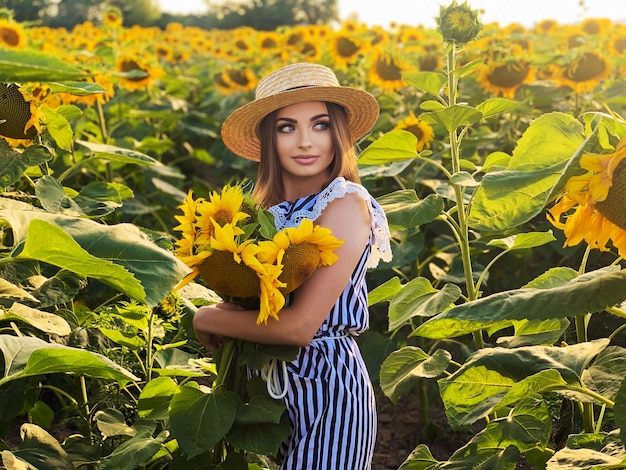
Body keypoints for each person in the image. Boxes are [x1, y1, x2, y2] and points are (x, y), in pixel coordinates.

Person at [192, 62, 393, 469]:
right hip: (266, 390)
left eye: (319, 125)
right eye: (287, 127)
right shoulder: (261, 213)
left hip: (328, 387)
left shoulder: (344, 203)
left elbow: (300, 327)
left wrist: (207, 317)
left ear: (337, 134)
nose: (305, 141)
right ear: (269, 139)